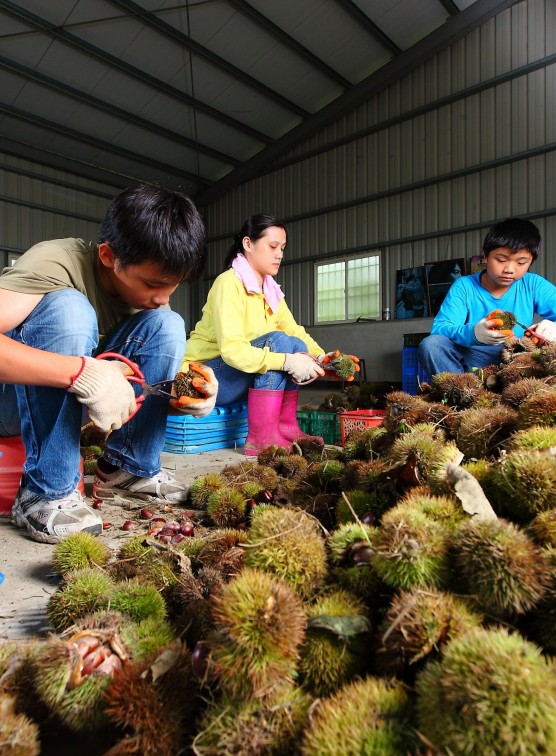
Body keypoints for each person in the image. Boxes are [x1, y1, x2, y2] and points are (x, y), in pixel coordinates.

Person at [0, 184, 214, 543]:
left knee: (168, 325)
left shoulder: (152, 302)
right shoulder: (56, 262)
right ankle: (44, 492)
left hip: (70, 402)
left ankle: (126, 468)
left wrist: (183, 394)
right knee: (70, 309)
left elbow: (138, 389)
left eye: (173, 286)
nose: (162, 297)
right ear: (107, 256)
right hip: (10, 403)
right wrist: (81, 373)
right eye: (152, 284)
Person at [176, 213, 355, 456]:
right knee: (280, 343)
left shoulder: (270, 291)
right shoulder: (228, 284)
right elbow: (232, 352)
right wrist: (287, 360)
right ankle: (262, 437)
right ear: (248, 244)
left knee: (294, 342)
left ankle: (285, 426)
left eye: (282, 248)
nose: (279, 254)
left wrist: (323, 359)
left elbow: (294, 331)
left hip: (236, 378)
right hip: (206, 381)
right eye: (272, 246)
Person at [418, 217, 556, 376]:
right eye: (501, 260)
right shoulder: (464, 286)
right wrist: (474, 333)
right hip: (476, 362)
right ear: (485, 256)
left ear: (530, 262)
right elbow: (440, 329)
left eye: (521, 262)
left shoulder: (533, 284)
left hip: (522, 359)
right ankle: (459, 396)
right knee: (432, 345)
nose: (509, 269)